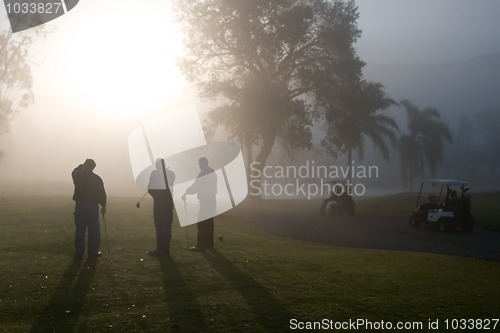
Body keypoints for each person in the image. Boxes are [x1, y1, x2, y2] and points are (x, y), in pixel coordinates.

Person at [72, 159, 107, 258]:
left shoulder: (78, 176)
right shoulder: (97, 178)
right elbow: (102, 193)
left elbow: (74, 172)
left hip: (80, 205)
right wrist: (103, 205)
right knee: (94, 229)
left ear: (85, 166)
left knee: (79, 229)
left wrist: (80, 166)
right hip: (93, 206)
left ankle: (79, 252)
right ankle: (93, 252)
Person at [182, 157, 217, 251]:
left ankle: (201, 245)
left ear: (201, 164)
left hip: (206, 200)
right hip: (212, 199)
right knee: (209, 222)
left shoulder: (204, 172)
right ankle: (209, 244)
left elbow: (197, 185)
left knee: (202, 223)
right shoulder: (211, 171)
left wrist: (187, 192)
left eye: (200, 164)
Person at [147, 159, 175, 256]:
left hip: (160, 203)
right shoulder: (171, 173)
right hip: (169, 202)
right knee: (167, 226)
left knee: (160, 226)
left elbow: (150, 188)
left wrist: (156, 196)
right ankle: (165, 249)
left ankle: (161, 249)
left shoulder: (154, 174)